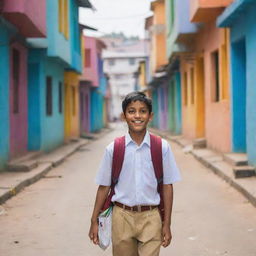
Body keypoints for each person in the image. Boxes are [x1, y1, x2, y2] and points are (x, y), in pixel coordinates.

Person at [89, 91, 181, 256]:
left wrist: (167, 223)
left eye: (142, 111)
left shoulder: (162, 147)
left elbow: (167, 186)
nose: (137, 116)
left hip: (152, 217)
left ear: (150, 116)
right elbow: (103, 187)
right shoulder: (113, 149)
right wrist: (94, 220)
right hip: (121, 217)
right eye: (131, 111)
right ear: (124, 116)